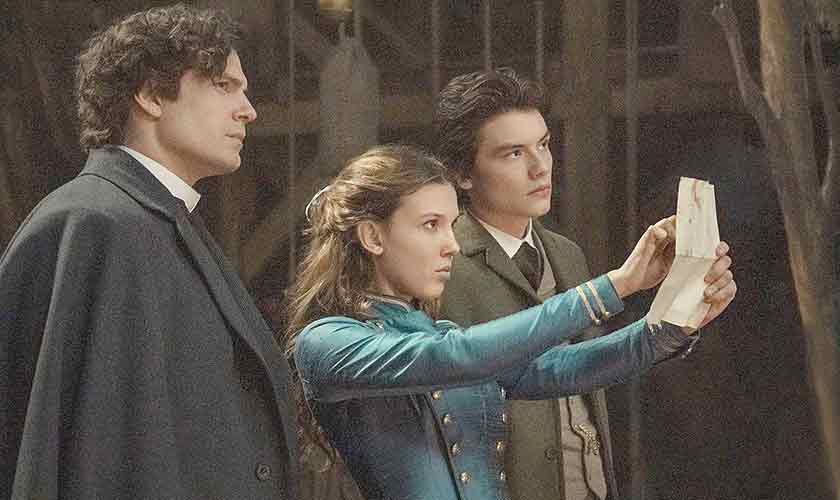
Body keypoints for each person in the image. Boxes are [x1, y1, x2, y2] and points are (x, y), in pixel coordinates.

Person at [286, 144, 736, 500]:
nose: (451, 245)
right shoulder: (326, 342)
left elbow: (559, 369)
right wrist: (614, 286)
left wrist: (671, 326)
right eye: (430, 225)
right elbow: (456, 356)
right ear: (372, 236)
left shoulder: (440, 334)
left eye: (452, 225)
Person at [0, 5, 296, 499]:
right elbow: (89, 455)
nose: (248, 110)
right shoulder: (95, 225)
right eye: (224, 85)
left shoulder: (156, 222)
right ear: (151, 94)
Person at [434, 67, 732, 500]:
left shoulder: (565, 253)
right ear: (463, 173)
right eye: (513, 153)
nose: (540, 167)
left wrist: (682, 313)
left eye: (543, 145)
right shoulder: (442, 265)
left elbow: (591, 367)